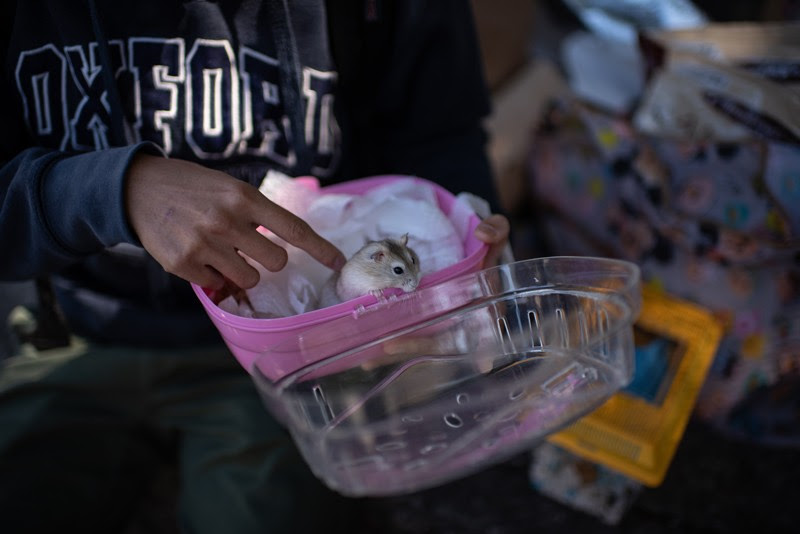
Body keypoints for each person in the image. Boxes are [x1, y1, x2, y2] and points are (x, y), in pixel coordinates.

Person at [0, 1, 510, 533]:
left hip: (295, 360)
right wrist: (112, 192)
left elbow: (439, 132)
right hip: (74, 322)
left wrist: (463, 238)